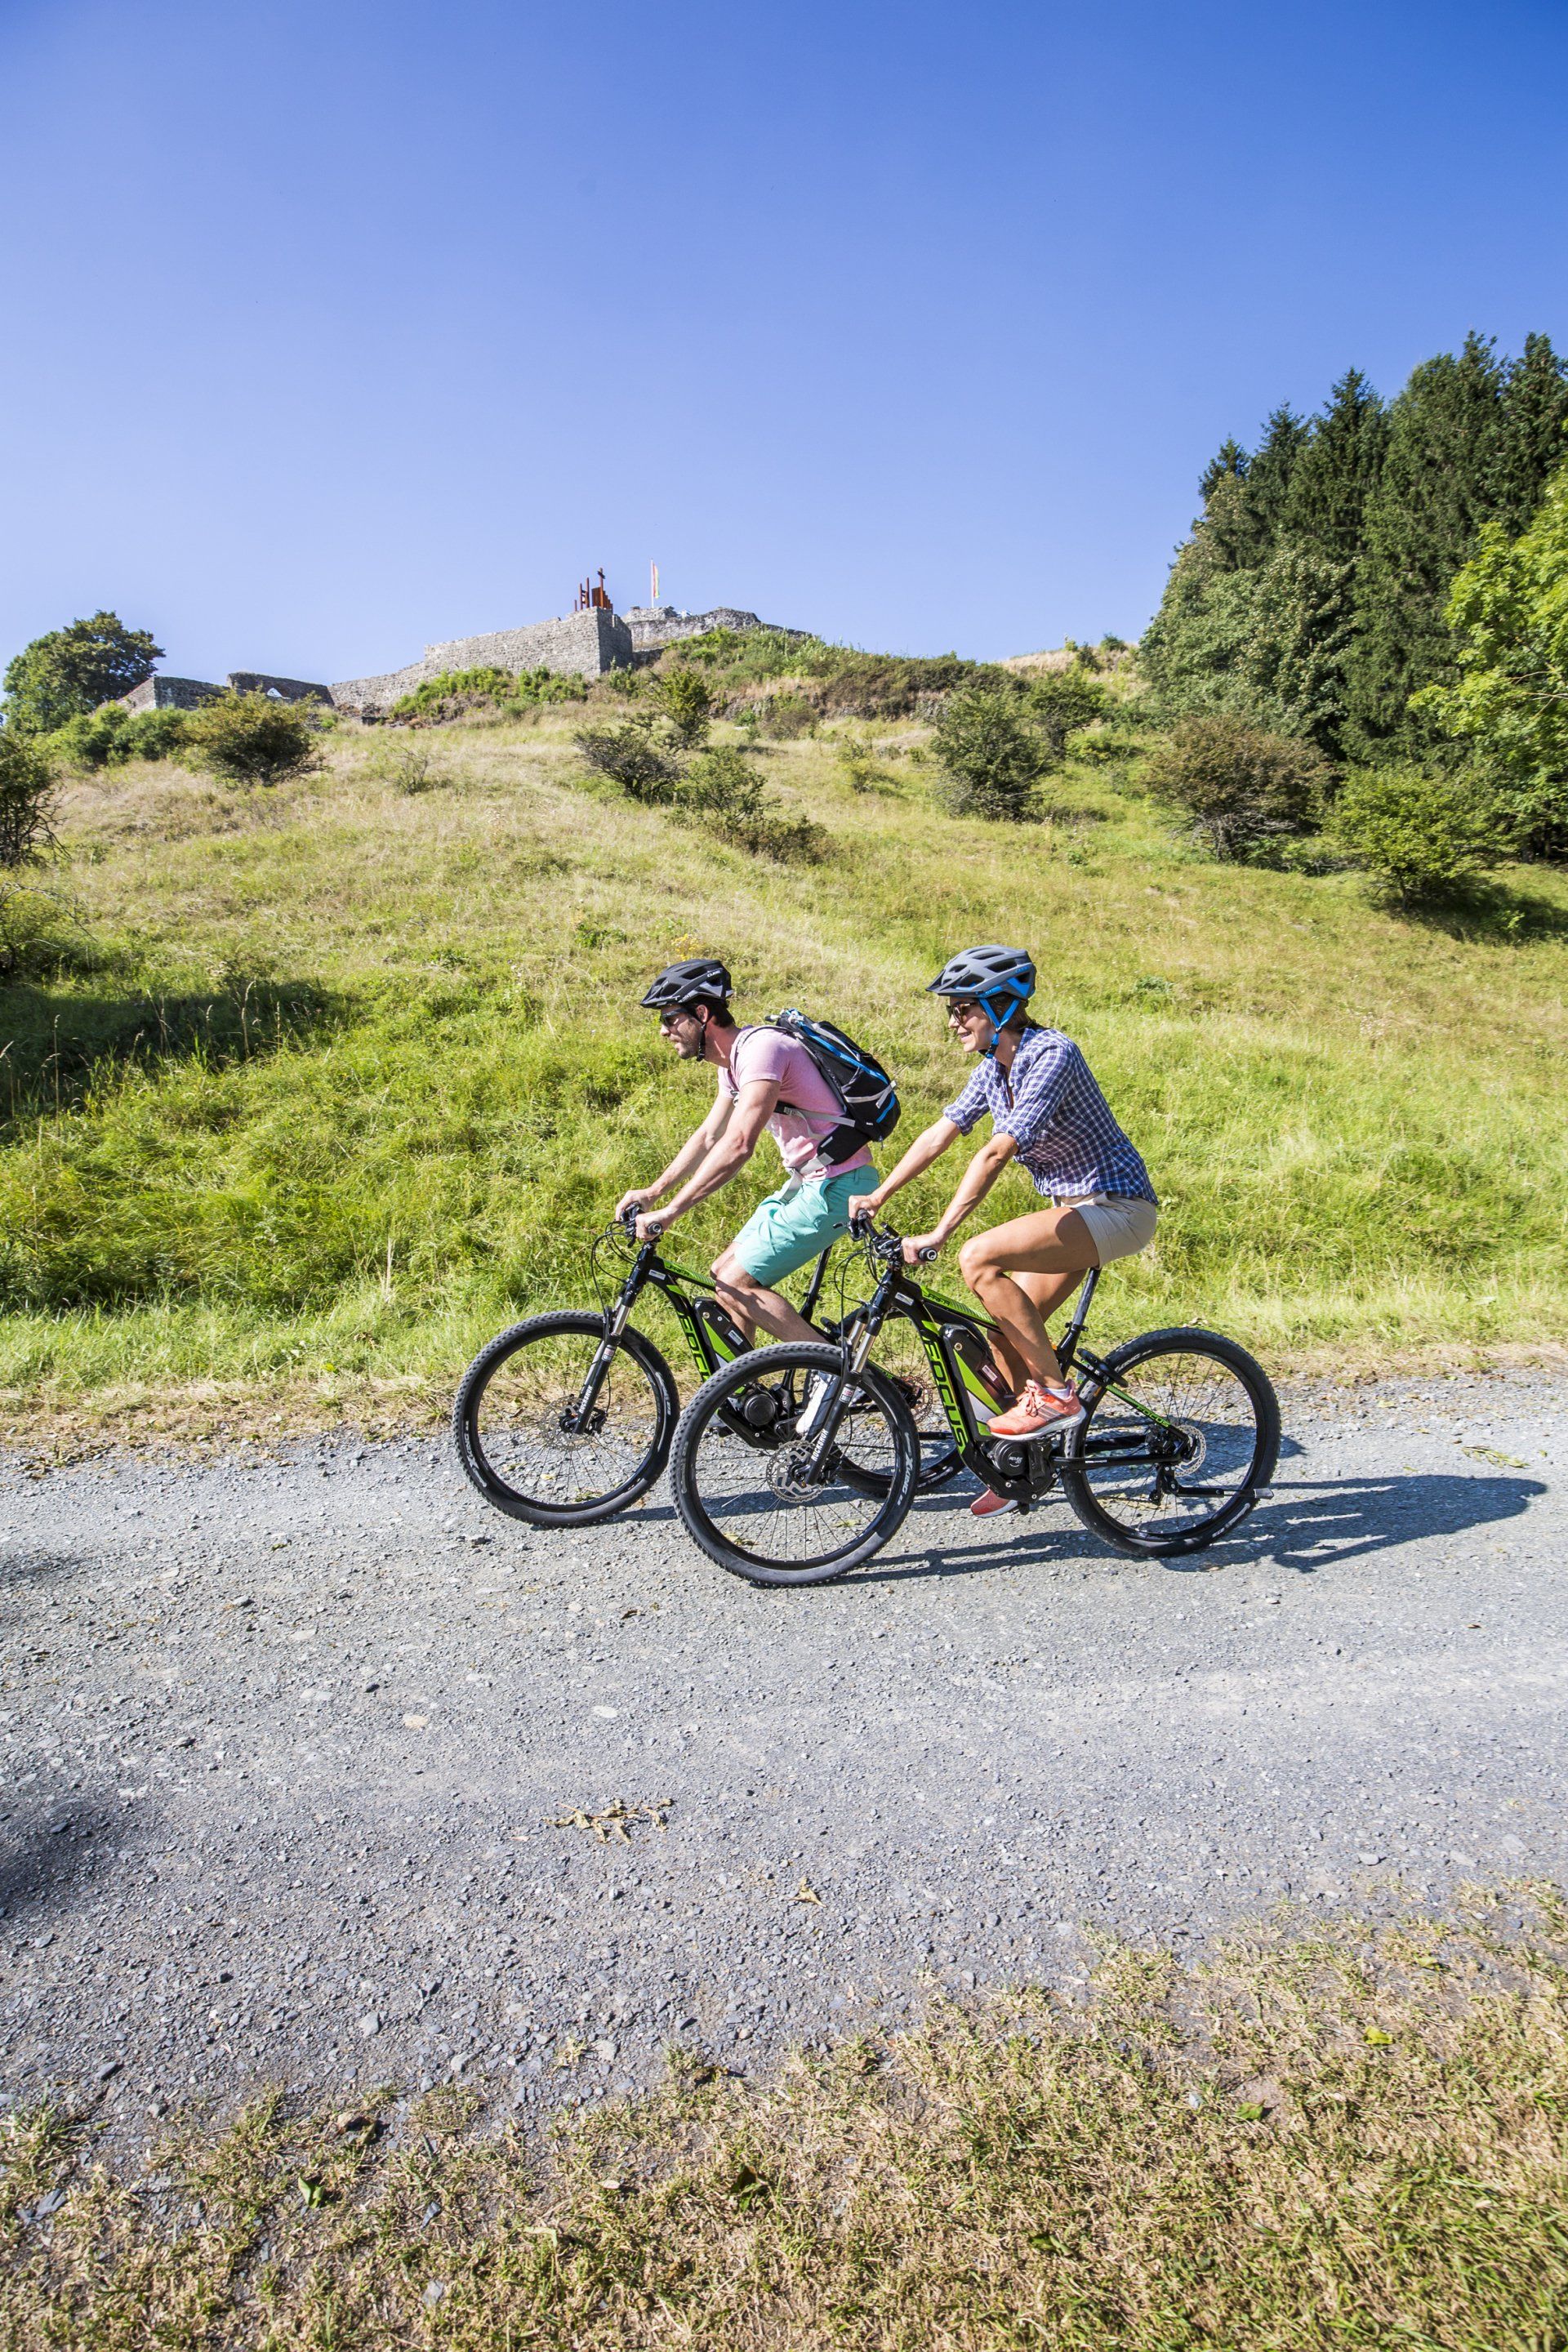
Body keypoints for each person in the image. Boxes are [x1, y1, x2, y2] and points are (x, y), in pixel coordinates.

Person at [847, 944, 1158, 1517]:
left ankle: (1058, 1395)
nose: (953, 1021)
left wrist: (940, 1232)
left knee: (978, 1257)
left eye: (963, 1008)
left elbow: (995, 1152)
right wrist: (879, 1194)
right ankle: (1024, 1465)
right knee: (1003, 1335)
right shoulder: (993, 1070)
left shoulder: (1051, 1053)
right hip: (1075, 1212)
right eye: (951, 1011)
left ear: (999, 1003)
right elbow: (942, 1133)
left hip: (1118, 1207)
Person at [613, 959, 879, 1346]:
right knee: (723, 1276)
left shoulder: (763, 1050)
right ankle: (738, 1394)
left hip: (839, 1185)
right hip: (809, 1183)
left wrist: (672, 1212)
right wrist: (653, 1192)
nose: (663, 1030)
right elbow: (709, 1136)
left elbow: (738, 1146)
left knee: (737, 1283)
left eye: (670, 1018)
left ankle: (841, 1379)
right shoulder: (732, 1063)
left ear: (702, 1013)